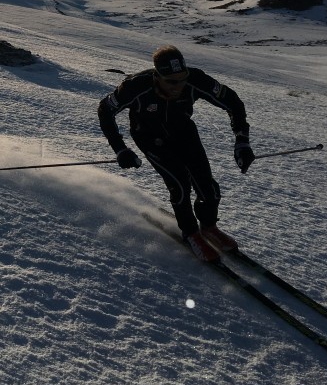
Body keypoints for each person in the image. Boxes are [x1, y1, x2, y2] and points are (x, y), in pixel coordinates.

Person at [97, 45, 255, 262]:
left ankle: (209, 227)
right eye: (171, 81)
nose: (178, 86)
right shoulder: (135, 86)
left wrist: (242, 143)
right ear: (157, 76)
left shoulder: (195, 80)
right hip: (150, 137)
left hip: (183, 132)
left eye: (182, 79)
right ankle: (190, 233)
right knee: (180, 184)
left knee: (209, 188)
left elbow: (233, 102)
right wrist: (120, 149)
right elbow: (105, 110)